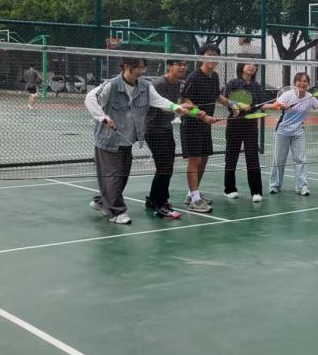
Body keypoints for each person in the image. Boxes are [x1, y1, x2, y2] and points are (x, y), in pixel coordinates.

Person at [85, 58, 194, 224]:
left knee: (122, 176)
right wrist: (103, 117)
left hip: (127, 140)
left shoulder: (145, 86)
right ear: (126, 67)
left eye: (143, 68)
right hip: (108, 140)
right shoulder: (111, 85)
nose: (141, 72)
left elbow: (158, 100)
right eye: (138, 68)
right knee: (114, 176)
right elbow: (90, 98)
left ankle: (102, 201)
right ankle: (116, 212)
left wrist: (176, 107)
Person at [180, 44, 243, 213]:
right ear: (202, 57)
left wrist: (231, 104)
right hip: (191, 124)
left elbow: (217, 96)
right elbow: (185, 102)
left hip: (205, 125)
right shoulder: (193, 77)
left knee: (204, 159)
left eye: (215, 55)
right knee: (195, 161)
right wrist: (203, 116)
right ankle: (195, 200)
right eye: (209, 54)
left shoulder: (214, 76)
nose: (213, 58)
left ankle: (192, 194)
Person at [269, 72, 318, 195]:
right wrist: (282, 106)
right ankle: (275, 185)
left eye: (305, 81)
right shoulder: (288, 95)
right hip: (282, 131)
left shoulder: (310, 97)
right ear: (295, 83)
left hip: (298, 131)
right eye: (299, 81)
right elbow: (275, 105)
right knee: (279, 160)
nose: (302, 83)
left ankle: (302, 187)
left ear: (308, 84)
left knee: (300, 159)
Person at [144, 59, 194, 219]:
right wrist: (180, 108)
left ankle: (153, 199)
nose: (183, 67)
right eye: (179, 64)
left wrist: (191, 110)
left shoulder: (177, 83)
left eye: (185, 65)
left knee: (164, 167)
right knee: (165, 167)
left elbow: (175, 107)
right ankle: (161, 203)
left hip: (165, 129)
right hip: (154, 130)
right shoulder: (159, 84)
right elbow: (163, 107)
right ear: (170, 66)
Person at [223, 62, 266, 202]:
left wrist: (277, 105)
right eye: (248, 64)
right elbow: (226, 100)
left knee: (252, 157)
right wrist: (238, 105)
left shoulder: (257, 86)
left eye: (254, 65)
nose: (252, 66)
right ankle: (229, 189)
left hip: (251, 125)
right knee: (231, 157)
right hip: (234, 123)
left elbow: (261, 104)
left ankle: (256, 191)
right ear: (242, 66)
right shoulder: (233, 83)